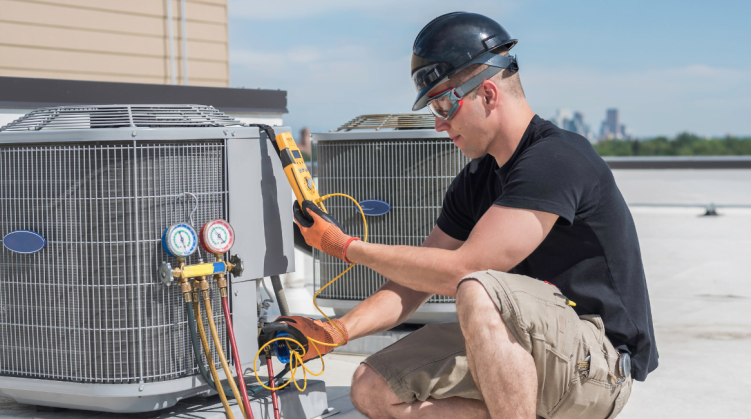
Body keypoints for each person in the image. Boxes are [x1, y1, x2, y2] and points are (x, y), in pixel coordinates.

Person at [271, 12, 658, 419]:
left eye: (443, 104)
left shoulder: (555, 159)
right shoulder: (476, 179)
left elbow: (464, 270)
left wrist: (346, 247)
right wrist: (338, 330)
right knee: (372, 387)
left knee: (477, 287)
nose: (438, 125)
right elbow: (412, 283)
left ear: (488, 94)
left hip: (597, 364)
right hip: (528, 348)